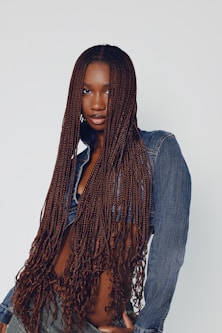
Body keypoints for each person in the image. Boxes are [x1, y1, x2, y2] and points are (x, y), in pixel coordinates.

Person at [0, 44, 191, 333]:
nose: (97, 103)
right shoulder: (75, 165)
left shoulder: (158, 152)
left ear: (127, 93)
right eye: (87, 91)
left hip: (91, 325)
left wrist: (146, 330)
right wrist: (5, 312)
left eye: (109, 91)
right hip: (33, 310)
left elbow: (169, 252)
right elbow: (46, 251)